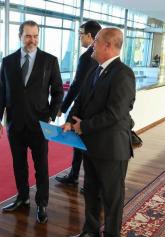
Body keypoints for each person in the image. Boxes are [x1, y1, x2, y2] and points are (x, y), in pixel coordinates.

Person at [63, 28, 136, 237]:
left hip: (112, 147)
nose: (92, 44)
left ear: (107, 45)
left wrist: (83, 126)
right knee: (91, 191)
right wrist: (69, 120)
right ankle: (91, 230)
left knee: (112, 197)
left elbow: (116, 113)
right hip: (91, 145)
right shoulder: (95, 70)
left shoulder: (123, 74)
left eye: (95, 41)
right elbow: (81, 100)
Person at [0, 20, 63, 224]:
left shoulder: (50, 61)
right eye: (28, 36)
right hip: (15, 124)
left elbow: (58, 92)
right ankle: (22, 198)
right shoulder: (8, 62)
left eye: (35, 36)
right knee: (19, 164)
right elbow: (1, 92)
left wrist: (51, 114)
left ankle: (42, 203)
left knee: (41, 166)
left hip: (40, 124)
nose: (32, 40)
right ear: (20, 36)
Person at [55, 21, 102, 191]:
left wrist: (63, 106)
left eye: (81, 33)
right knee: (80, 143)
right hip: (93, 108)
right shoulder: (98, 56)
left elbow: (77, 85)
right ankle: (75, 176)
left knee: (83, 144)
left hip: (85, 110)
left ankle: (82, 179)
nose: (79, 37)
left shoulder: (87, 57)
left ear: (90, 36)